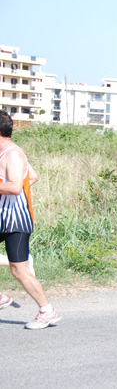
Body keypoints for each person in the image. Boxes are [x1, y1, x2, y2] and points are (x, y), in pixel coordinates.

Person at [0, 110, 61, 329]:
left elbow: (16, 186)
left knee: (19, 271)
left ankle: (47, 311)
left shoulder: (13, 154)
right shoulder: (4, 152)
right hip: (3, 217)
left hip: (15, 221)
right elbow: (31, 176)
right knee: (18, 269)